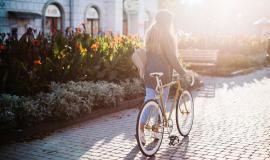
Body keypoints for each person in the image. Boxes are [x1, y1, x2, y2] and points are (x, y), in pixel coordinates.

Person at [139, 10, 187, 143]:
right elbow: (172, 58)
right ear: (168, 21)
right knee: (161, 104)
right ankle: (156, 132)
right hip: (164, 75)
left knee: (149, 101)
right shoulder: (166, 35)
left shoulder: (150, 33)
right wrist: (183, 72)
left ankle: (140, 131)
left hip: (149, 73)